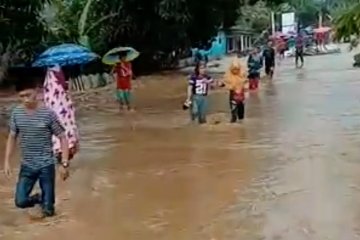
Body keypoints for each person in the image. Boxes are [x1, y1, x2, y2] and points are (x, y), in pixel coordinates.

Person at [3, 80, 70, 218]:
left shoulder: (48, 114)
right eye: (21, 96)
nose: (26, 99)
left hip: (46, 165)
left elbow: (63, 137)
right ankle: (39, 199)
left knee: (49, 213)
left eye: (28, 95)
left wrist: (64, 163)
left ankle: (47, 205)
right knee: (20, 201)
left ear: (37, 92)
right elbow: (12, 137)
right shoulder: (17, 114)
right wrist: (7, 161)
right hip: (27, 165)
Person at [43, 66, 79, 163]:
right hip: (61, 105)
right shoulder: (57, 70)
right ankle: (64, 154)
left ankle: (60, 153)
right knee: (65, 126)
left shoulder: (48, 74)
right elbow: (62, 87)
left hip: (53, 105)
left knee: (56, 127)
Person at [222, 58, 247, 123]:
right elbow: (225, 84)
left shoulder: (242, 74)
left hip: (241, 96)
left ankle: (240, 126)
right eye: (234, 69)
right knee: (234, 113)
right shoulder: (228, 75)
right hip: (233, 95)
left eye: (237, 69)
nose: (235, 71)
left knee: (241, 115)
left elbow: (246, 83)